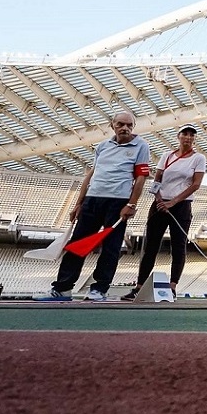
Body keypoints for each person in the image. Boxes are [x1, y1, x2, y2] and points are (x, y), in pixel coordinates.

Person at [36, 111, 150, 301]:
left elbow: (140, 178)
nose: (125, 128)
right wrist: (79, 203)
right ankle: (62, 288)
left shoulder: (141, 146)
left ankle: (99, 289)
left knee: (111, 247)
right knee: (77, 244)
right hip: (92, 199)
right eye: (121, 124)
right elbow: (91, 174)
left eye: (129, 125)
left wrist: (131, 203)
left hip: (118, 201)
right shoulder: (103, 146)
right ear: (112, 125)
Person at [122, 124, 206, 301]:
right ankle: (139, 286)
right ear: (178, 136)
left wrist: (174, 201)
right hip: (160, 204)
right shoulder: (167, 156)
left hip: (181, 206)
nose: (188, 137)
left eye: (191, 135)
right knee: (151, 246)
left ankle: (172, 286)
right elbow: (157, 179)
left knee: (178, 246)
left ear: (194, 138)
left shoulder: (198, 158)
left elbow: (195, 184)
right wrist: (159, 199)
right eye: (185, 134)